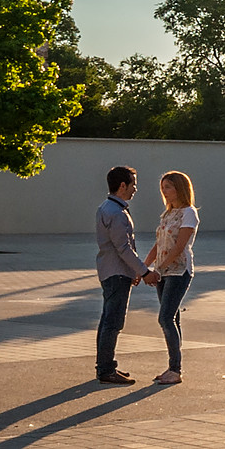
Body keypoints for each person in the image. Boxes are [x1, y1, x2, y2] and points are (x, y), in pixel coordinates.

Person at [141, 170, 199, 385]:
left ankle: (176, 370)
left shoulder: (188, 213)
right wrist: (143, 267)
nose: (164, 191)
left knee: (165, 318)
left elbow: (179, 246)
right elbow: (159, 245)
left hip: (178, 271)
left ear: (180, 188)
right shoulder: (167, 214)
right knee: (173, 318)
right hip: (163, 273)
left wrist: (159, 269)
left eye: (168, 187)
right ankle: (173, 367)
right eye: (162, 187)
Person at [94, 165, 143, 385]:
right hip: (117, 273)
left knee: (107, 320)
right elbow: (123, 248)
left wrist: (134, 270)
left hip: (110, 270)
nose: (135, 189)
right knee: (113, 323)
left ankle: (105, 366)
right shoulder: (116, 212)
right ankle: (106, 370)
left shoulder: (107, 208)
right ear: (122, 185)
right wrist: (143, 271)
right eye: (133, 184)